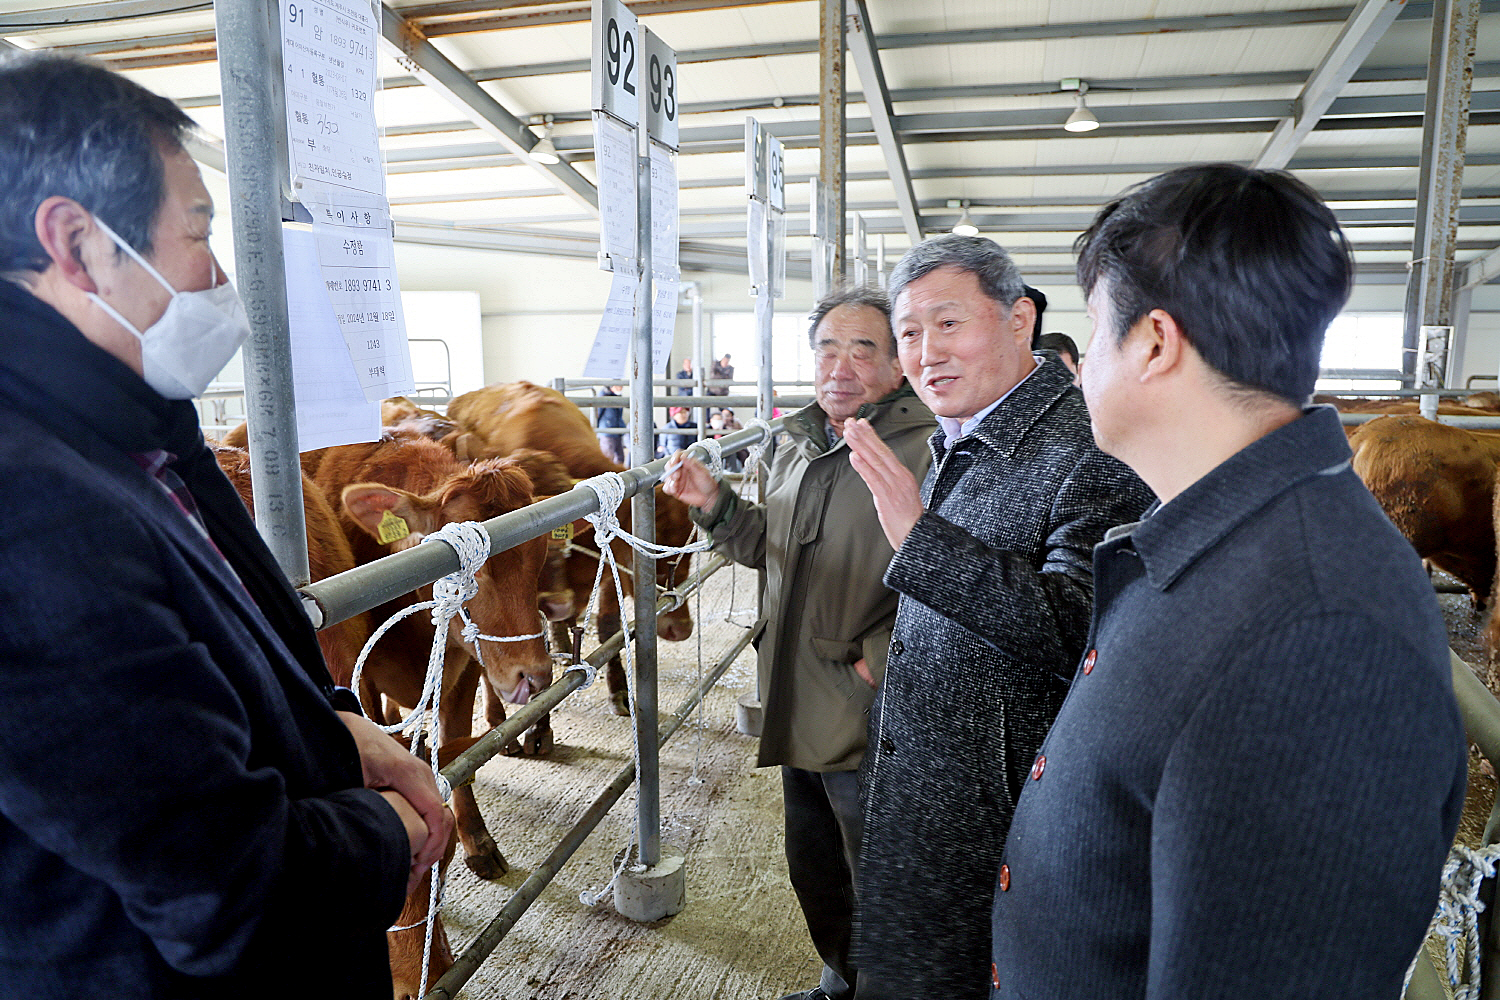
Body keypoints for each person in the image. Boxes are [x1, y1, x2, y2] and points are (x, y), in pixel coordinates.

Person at [0, 53, 452, 997]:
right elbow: (225, 881)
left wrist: (338, 736)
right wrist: (397, 833)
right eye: (197, 233)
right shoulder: (29, 507)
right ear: (77, 243)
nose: (216, 276)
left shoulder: (136, 432)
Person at [991, 164, 1467, 998]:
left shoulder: (1318, 639)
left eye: (1096, 331)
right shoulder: (1230, 537)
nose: (1078, 363)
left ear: (1155, 342)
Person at [841, 235, 1154, 999]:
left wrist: (920, 539)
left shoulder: (1089, 445)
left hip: (1003, 807)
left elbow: (1079, 630)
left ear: (1020, 319)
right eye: (909, 333)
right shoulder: (959, 431)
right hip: (925, 775)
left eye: (948, 324)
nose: (924, 352)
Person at [664, 287, 936, 1000]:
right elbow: (770, 547)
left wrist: (878, 662)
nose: (840, 365)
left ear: (901, 363)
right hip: (794, 691)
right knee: (813, 862)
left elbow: (950, 572)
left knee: (879, 870)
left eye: (863, 349)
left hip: (868, 706)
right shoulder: (791, 441)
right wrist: (715, 505)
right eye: (826, 348)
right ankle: (841, 980)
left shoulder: (929, 447)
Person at [596, 383, 625, 463]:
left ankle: (618, 474)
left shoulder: (617, 396)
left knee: (620, 457)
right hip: (607, 431)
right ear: (613, 386)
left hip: (617, 430)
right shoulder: (604, 396)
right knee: (608, 456)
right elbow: (597, 413)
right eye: (619, 386)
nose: (621, 388)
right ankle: (607, 474)